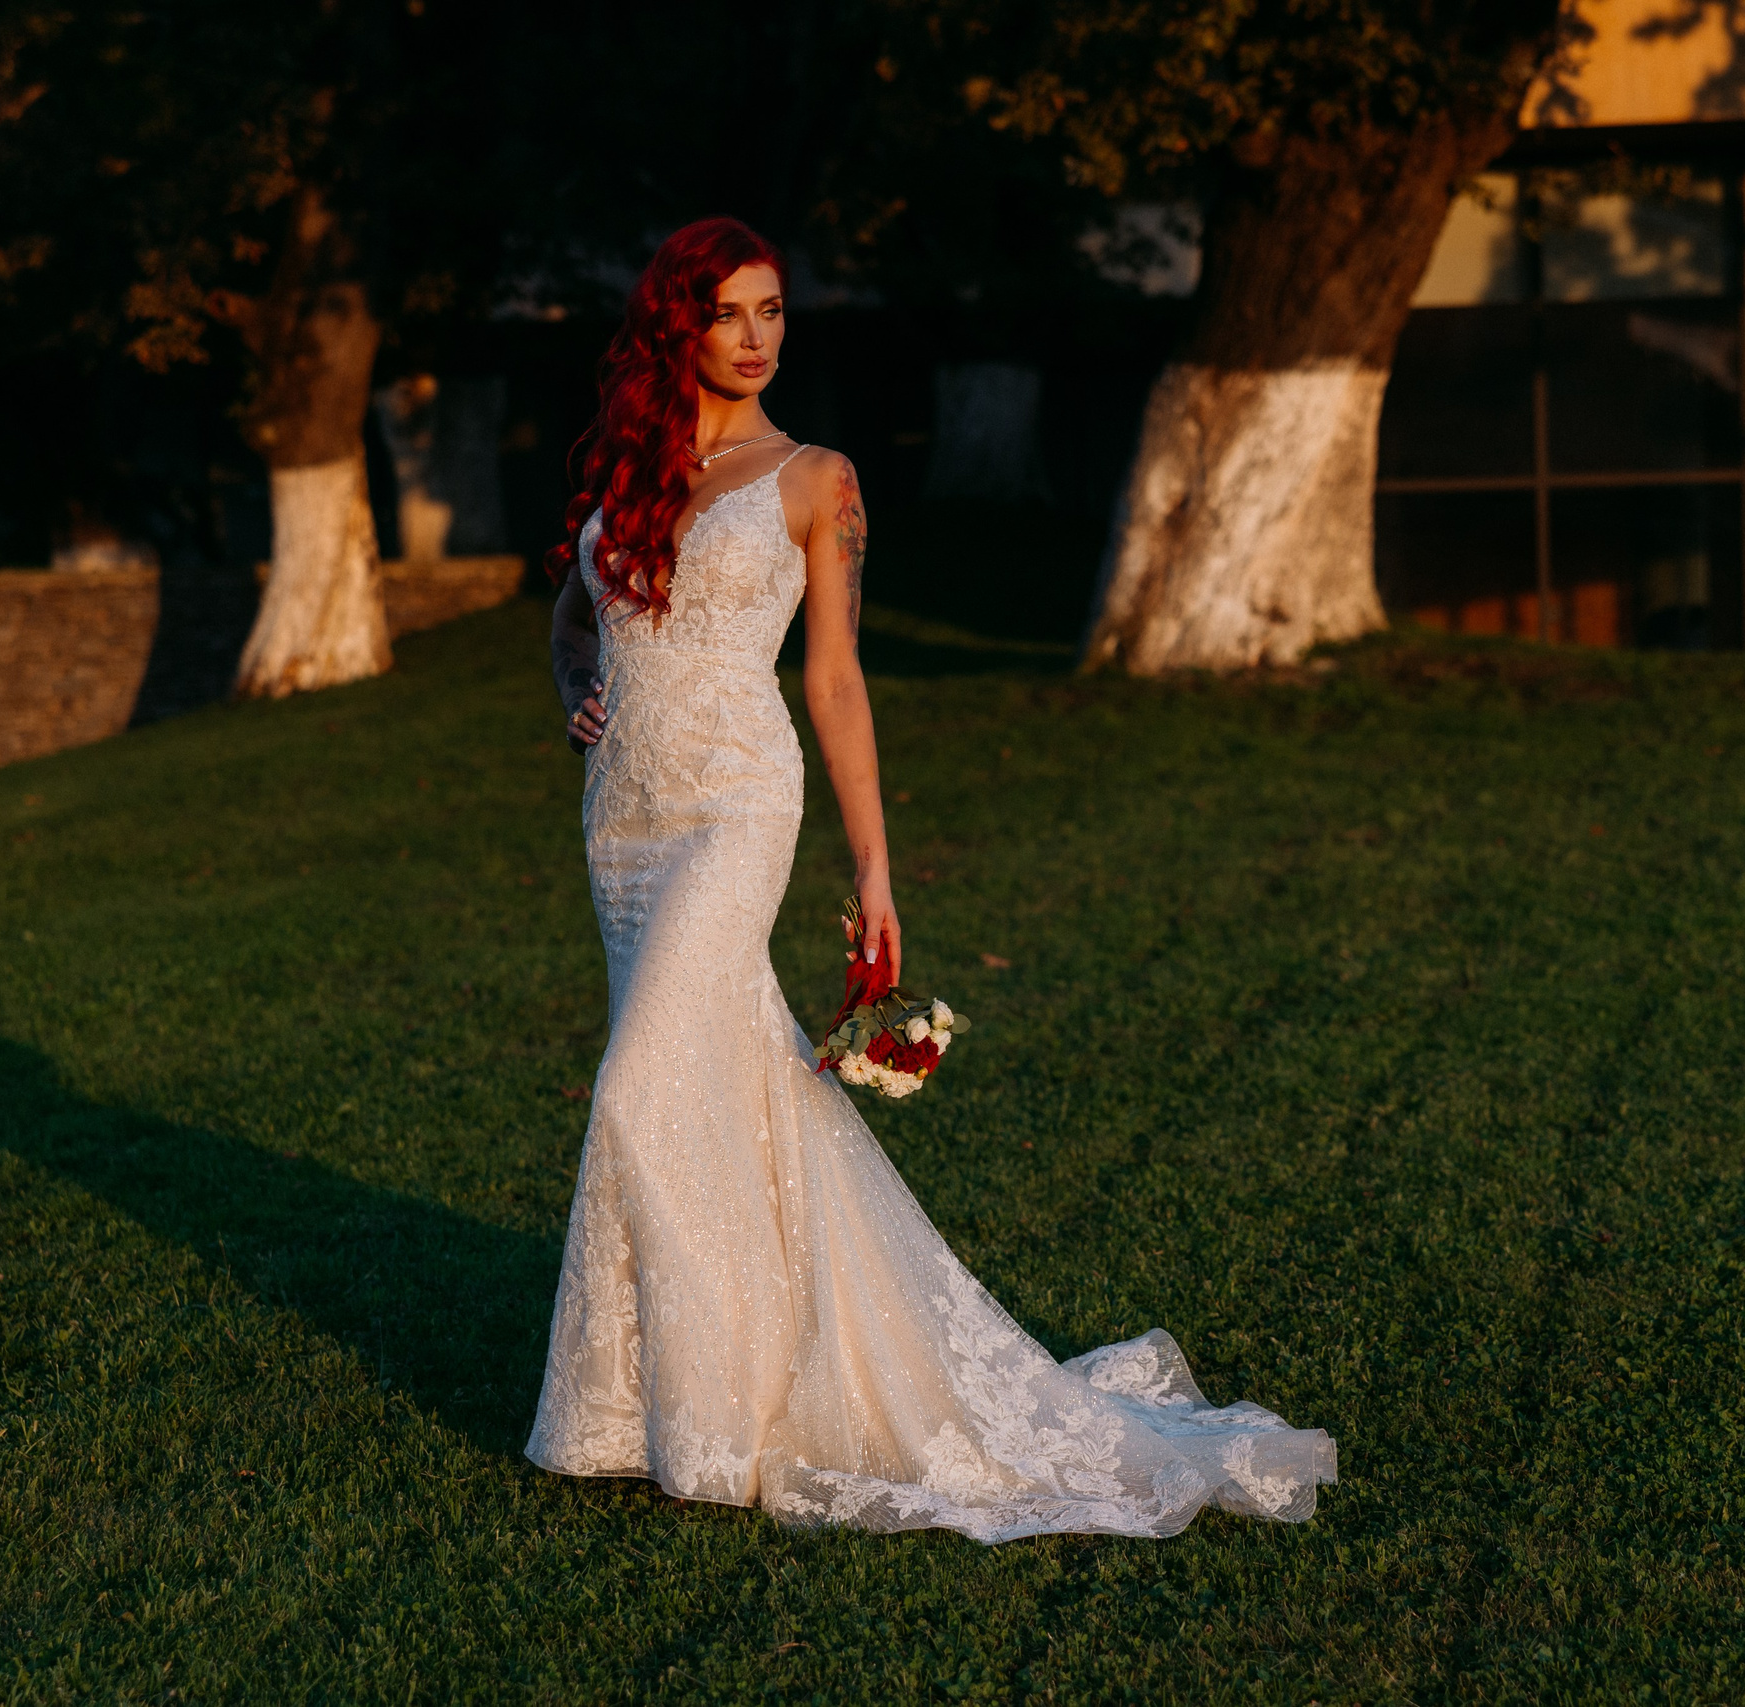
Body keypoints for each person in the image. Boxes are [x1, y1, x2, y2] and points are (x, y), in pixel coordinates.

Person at [530, 217, 1336, 1542]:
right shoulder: (625, 478)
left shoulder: (816, 478)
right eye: (729, 311)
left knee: (635, 1089)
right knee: (710, 1092)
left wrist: (876, 866)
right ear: (677, 325)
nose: (756, 334)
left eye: (773, 310)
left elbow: (837, 679)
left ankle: (718, 1416)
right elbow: (574, 624)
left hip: (738, 806)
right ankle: (668, 1406)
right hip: (624, 824)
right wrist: (579, 697)